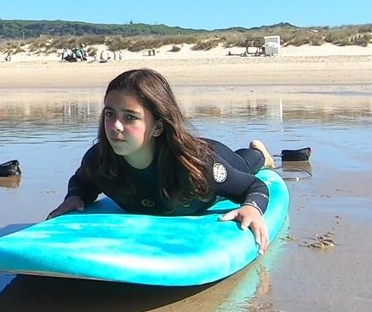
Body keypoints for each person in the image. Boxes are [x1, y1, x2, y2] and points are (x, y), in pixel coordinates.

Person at [47, 68, 275, 253]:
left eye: (129, 117)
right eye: (109, 114)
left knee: (246, 164)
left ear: (157, 126)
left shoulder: (198, 166)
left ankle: (260, 153)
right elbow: (83, 181)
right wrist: (75, 197)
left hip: (213, 153)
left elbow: (253, 186)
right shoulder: (99, 160)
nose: (115, 126)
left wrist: (252, 207)